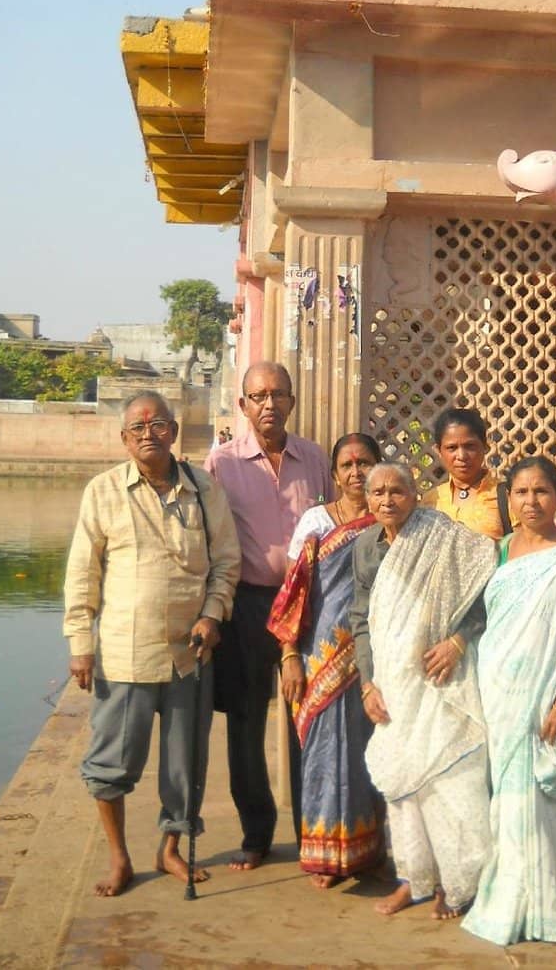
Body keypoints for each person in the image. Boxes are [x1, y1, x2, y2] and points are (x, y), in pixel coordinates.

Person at [63, 390, 240, 896]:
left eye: (157, 425)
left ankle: (169, 850)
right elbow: (83, 573)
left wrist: (213, 614)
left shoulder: (204, 489)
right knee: (112, 764)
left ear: (174, 431)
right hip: (125, 652)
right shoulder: (102, 492)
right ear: (124, 439)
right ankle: (119, 856)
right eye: (137, 428)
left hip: (191, 652)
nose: (148, 434)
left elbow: (227, 561)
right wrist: (81, 642)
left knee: (186, 764)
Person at [464, 457, 556, 947]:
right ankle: (509, 901)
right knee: (507, 799)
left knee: (550, 798)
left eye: (541, 492)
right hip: (502, 697)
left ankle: (550, 909)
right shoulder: (501, 550)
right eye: (521, 493)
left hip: (550, 699)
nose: (530, 502)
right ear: (509, 498)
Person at [349, 461, 497, 920]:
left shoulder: (446, 536)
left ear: (416, 495)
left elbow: (487, 586)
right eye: (378, 492)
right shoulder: (366, 547)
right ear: (367, 498)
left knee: (449, 778)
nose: (387, 500)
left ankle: (459, 882)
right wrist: (368, 682)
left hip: (441, 678)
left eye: (397, 491)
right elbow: (360, 618)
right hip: (392, 683)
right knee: (403, 782)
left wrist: (457, 641)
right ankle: (414, 879)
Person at [204, 360, 333, 871]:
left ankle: (310, 833)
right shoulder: (221, 464)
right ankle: (256, 834)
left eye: (278, 394)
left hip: (307, 605)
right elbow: (211, 540)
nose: (269, 404)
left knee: (308, 718)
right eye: (258, 396)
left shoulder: (316, 460)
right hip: (249, 604)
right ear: (243, 405)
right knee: (246, 720)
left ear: (292, 402)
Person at [266, 433, 385, 888]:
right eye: (348, 464)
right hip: (320, 656)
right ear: (334, 475)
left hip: (375, 658)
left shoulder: (389, 520)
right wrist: (289, 654)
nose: (357, 472)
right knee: (322, 753)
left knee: (368, 752)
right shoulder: (317, 521)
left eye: (365, 462)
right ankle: (325, 857)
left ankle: (366, 850)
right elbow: (292, 593)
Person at [428, 406, 513, 540]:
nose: (461, 456)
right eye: (452, 448)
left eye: (470, 446)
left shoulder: (507, 497)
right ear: (439, 451)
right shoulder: (431, 500)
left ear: (485, 447)